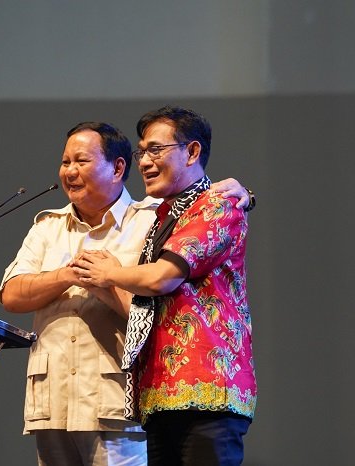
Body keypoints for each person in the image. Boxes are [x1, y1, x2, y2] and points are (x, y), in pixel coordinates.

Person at [0, 121, 252, 466]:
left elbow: (160, 289)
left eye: (81, 161)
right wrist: (68, 275)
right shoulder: (47, 226)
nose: (69, 171)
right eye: (65, 161)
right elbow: (11, 294)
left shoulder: (151, 220)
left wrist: (106, 277)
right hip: (57, 402)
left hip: (120, 401)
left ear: (118, 168)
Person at [73, 106, 257, 466]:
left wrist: (110, 272)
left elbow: (161, 277)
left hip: (207, 392)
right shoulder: (163, 216)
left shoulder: (216, 205)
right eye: (142, 152)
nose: (144, 161)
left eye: (155, 150)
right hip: (159, 394)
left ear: (192, 152)